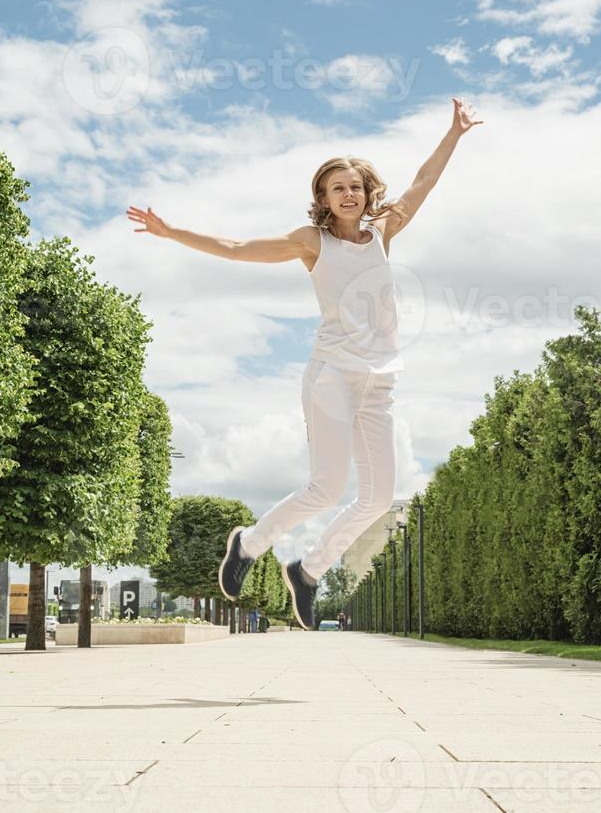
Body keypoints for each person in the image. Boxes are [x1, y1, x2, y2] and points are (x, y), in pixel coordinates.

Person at [126, 98, 482, 631]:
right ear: (323, 197)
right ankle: (247, 545)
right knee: (326, 486)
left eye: (356, 186)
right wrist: (172, 232)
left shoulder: (384, 229)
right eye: (337, 187)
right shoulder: (311, 243)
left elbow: (423, 181)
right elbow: (237, 247)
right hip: (332, 375)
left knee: (379, 496)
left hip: (379, 379)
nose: (348, 194)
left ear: (367, 193)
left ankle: (308, 570)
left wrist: (453, 133)